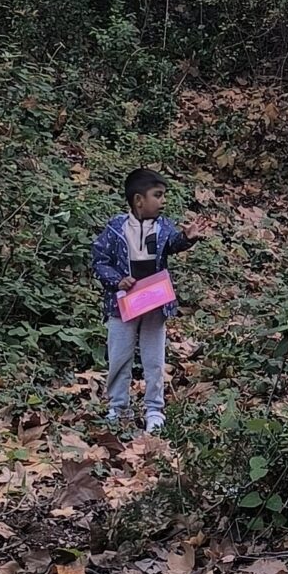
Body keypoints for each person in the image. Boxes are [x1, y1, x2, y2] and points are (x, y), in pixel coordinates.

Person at [91, 168, 198, 432]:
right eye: (157, 195)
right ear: (139, 200)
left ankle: (154, 410)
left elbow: (173, 244)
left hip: (154, 302)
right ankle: (117, 407)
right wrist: (117, 280)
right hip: (122, 304)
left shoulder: (163, 227)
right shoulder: (115, 228)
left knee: (154, 359)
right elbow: (99, 260)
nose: (163, 201)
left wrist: (187, 238)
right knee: (119, 356)